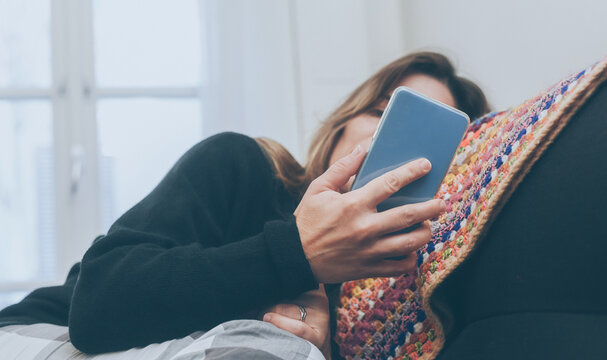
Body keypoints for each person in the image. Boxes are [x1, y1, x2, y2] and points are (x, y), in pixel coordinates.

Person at [0, 51, 489, 359]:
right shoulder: (244, 164)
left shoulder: (401, 292)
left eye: (434, 143)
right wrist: (298, 253)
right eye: (384, 112)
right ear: (341, 123)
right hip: (44, 332)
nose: (389, 138)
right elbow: (97, 303)